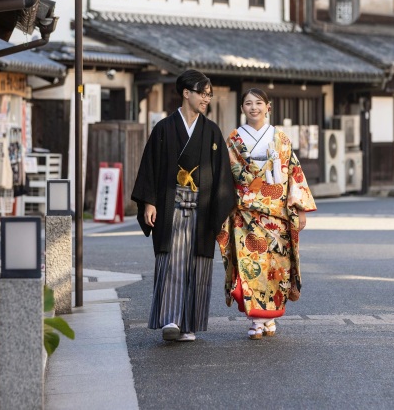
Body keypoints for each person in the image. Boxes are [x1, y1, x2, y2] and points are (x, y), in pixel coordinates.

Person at [131, 70, 236, 343]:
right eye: (202, 93)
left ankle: (188, 323)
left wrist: (220, 211)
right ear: (186, 93)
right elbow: (150, 167)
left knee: (197, 265)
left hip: (202, 209)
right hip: (171, 205)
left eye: (209, 94)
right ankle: (171, 319)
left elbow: (222, 175)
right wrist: (149, 202)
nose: (206, 98)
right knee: (172, 262)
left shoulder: (211, 131)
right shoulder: (164, 129)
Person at [217, 88, 316, 340]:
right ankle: (255, 319)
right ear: (242, 109)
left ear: (268, 107)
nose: (253, 108)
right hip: (246, 214)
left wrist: (301, 208)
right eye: (248, 103)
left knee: (277, 267)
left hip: (277, 214)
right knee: (251, 266)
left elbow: (294, 172)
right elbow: (229, 176)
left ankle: (270, 316)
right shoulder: (234, 138)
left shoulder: (281, 138)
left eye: (258, 103)